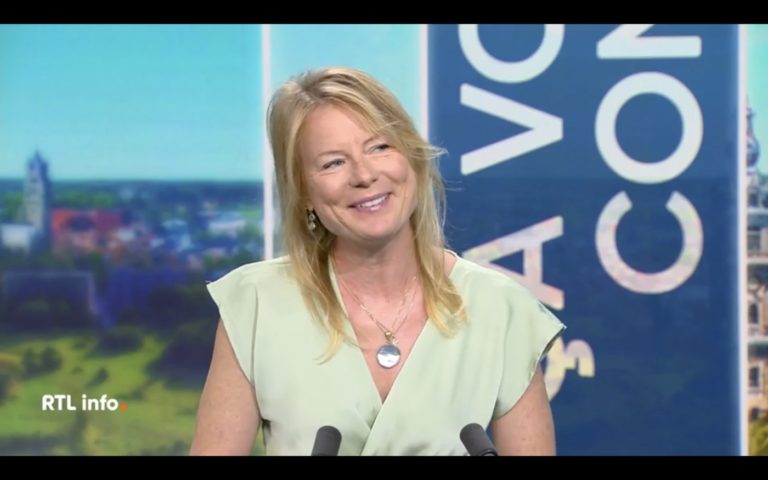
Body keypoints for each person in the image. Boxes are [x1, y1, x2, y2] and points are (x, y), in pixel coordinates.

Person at [190, 66, 565, 456]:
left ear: (412, 159)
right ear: (303, 192)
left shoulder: (500, 308)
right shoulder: (257, 304)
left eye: (380, 147)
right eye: (333, 163)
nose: (364, 175)